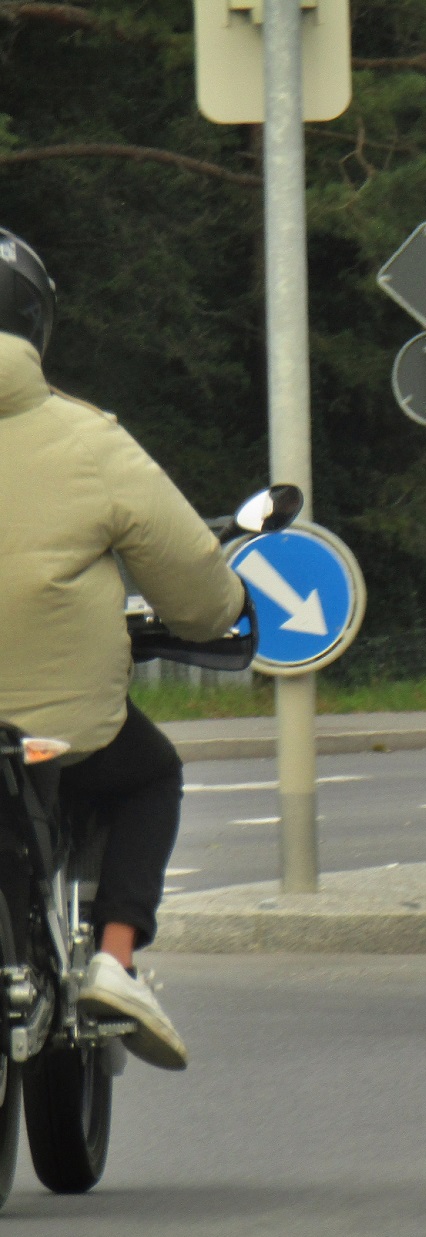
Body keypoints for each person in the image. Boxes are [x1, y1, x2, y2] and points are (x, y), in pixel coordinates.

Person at [0, 227, 246, 1070]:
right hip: (62, 732)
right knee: (151, 773)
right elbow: (196, 585)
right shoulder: (92, 441)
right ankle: (114, 957)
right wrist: (223, 609)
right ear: (37, 328)